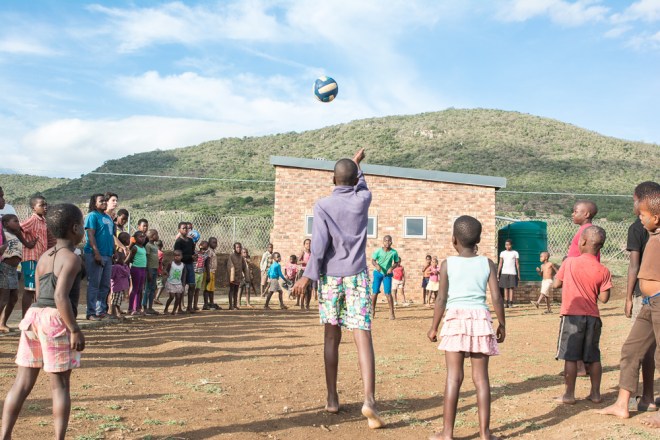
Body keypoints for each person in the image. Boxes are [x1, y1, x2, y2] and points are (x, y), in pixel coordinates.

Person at [293, 148, 384, 429]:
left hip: (331, 278)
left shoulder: (322, 206)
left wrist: (307, 276)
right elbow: (362, 183)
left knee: (331, 338)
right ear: (356, 178)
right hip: (357, 276)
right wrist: (357, 165)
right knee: (363, 336)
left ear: (333, 179)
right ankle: (368, 400)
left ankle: (332, 398)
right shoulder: (363, 200)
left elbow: (318, 246)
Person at [1, 203, 85, 440]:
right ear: (75, 228)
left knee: (21, 383)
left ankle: (4, 435)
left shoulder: (43, 257)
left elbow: (38, 294)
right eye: (83, 227)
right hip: (56, 320)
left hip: (33, 317)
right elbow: (60, 296)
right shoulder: (73, 259)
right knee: (60, 385)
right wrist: (75, 329)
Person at [427, 215, 505, 440]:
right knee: (481, 379)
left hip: (455, 319)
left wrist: (433, 327)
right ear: (478, 239)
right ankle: (485, 434)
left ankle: (447, 434)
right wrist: (502, 323)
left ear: (454, 240)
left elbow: (441, 298)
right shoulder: (487, 263)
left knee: (453, 378)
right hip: (481, 319)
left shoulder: (447, 264)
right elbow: (497, 297)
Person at [598, 184, 660, 426]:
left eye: (643, 215)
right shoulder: (653, 236)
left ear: (655, 217)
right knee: (631, 350)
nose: (640, 217)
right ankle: (622, 405)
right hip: (648, 303)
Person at [553, 226, 611, 405]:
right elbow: (604, 298)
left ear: (583, 241)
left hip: (572, 316)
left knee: (571, 356)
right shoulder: (603, 270)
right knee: (593, 356)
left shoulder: (569, 262)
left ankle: (569, 395)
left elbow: (556, 284)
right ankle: (595, 394)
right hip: (593, 317)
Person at [624, 181, 660, 412]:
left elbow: (633, 266)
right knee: (637, 348)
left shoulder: (641, 228)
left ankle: (647, 396)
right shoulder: (646, 229)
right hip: (648, 301)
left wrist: (628, 296)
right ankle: (643, 397)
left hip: (652, 299)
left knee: (652, 352)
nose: (638, 214)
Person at [20, 196, 57, 317]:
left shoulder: (43, 221)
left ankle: (36, 317)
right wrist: (26, 243)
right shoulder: (32, 220)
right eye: (42, 205)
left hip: (40, 260)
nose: (45, 207)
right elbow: (18, 228)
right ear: (33, 208)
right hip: (31, 258)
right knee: (30, 290)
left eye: (46, 205)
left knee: (39, 289)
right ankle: (25, 318)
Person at [83, 194, 116, 321]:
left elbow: (111, 236)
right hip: (95, 254)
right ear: (94, 203)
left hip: (107, 254)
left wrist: (114, 251)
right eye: (100, 201)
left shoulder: (107, 217)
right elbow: (90, 235)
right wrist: (96, 253)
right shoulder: (92, 216)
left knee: (105, 285)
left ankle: (101, 310)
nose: (103, 202)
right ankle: (91, 312)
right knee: (94, 284)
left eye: (104, 200)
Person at [0, 215, 23, 333]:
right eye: (15, 221)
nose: (18, 223)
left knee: (13, 298)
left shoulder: (16, 236)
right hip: (4, 267)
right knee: (3, 298)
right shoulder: (3, 235)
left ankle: (2, 323)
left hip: (14, 270)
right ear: (5, 223)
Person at [371, 235, 400, 320]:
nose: (387, 242)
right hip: (378, 273)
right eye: (386, 241)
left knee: (388, 293)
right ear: (383, 242)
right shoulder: (378, 251)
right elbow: (373, 260)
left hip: (387, 275)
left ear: (391, 242)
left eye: (389, 241)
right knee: (375, 292)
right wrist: (376, 265)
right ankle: (372, 311)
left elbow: (396, 262)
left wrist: (391, 268)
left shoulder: (394, 252)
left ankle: (391, 312)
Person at [173, 222, 196, 313]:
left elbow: (192, 251)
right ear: (179, 230)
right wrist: (190, 257)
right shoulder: (178, 241)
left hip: (190, 264)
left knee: (192, 285)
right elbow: (177, 255)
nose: (185, 230)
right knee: (181, 286)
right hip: (181, 265)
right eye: (183, 228)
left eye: (187, 228)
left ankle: (189, 306)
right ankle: (179, 307)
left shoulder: (190, 241)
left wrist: (194, 256)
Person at [127, 231, 148, 315]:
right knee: (135, 289)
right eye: (140, 237)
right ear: (135, 239)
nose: (142, 238)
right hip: (136, 269)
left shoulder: (143, 248)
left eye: (143, 237)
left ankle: (138, 308)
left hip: (143, 269)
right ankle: (130, 308)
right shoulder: (135, 248)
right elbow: (130, 259)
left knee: (140, 289)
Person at [497, 239, 520, 308]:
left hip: (512, 272)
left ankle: (510, 303)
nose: (507, 246)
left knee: (511, 288)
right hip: (504, 272)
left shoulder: (515, 253)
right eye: (506, 245)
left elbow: (517, 264)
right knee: (505, 288)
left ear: (511, 245)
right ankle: (505, 302)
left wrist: (518, 274)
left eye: (509, 245)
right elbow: (500, 263)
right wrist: (498, 273)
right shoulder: (502, 253)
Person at [142, 229, 160, 315]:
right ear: (152, 236)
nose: (158, 236)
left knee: (153, 288)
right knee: (147, 288)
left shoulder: (155, 246)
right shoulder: (148, 246)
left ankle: (150, 307)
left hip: (155, 268)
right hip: (150, 269)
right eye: (156, 235)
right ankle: (144, 307)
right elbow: (147, 258)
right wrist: (148, 271)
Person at [163, 250, 186, 315]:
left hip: (178, 283)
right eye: (175, 256)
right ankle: (166, 309)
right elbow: (166, 271)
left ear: (181, 256)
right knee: (172, 296)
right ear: (173, 256)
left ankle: (174, 310)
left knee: (178, 297)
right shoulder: (171, 263)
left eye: (179, 255)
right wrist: (166, 273)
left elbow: (184, 274)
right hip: (171, 282)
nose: (177, 257)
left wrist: (183, 284)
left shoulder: (183, 265)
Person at [110, 251, 130, 318]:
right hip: (117, 287)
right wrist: (125, 266)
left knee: (117, 301)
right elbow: (127, 273)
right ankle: (113, 313)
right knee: (114, 301)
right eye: (122, 259)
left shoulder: (114, 267)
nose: (123, 261)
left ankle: (118, 312)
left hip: (118, 287)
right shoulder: (118, 267)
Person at [203, 237, 220, 310]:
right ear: (209, 243)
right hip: (209, 272)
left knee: (211, 289)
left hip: (212, 272)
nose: (215, 244)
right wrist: (208, 274)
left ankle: (211, 303)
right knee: (207, 289)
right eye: (213, 242)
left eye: (216, 242)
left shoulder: (212, 251)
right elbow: (207, 262)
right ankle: (206, 304)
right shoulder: (209, 251)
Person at [227, 242, 245, 310]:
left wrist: (245, 274)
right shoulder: (231, 256)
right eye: (237, 247)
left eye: (240, 247)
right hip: (232, 276)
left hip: (238, 276)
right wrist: (231, 276)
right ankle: (230, 305)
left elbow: (244, 266)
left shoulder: (241, 257)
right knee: (231, 290)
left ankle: (235, 305)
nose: (239, 249)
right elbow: (229, 266)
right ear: (234, 248)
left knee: (236, 290)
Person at [193, 240, 210, 311]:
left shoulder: (206, 255)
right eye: (203, 249)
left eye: (205, 249)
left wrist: (208, 274)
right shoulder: (195, 253)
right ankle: (190, 305)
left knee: (197, 290)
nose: (204, 251)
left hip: (201, 274)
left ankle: (195, 305)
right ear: (200, 246)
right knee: (192, 289)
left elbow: (207, 265)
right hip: (194, 273)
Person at [154, 240, 165, 305]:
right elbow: (158, 262)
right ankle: (156, 298)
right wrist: (160, 271)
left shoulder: (154, 252)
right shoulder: (160, 253)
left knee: (155, 286)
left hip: (154, 270)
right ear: (161, 246)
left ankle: (154, 298)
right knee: (161, 286)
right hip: (158, 271)